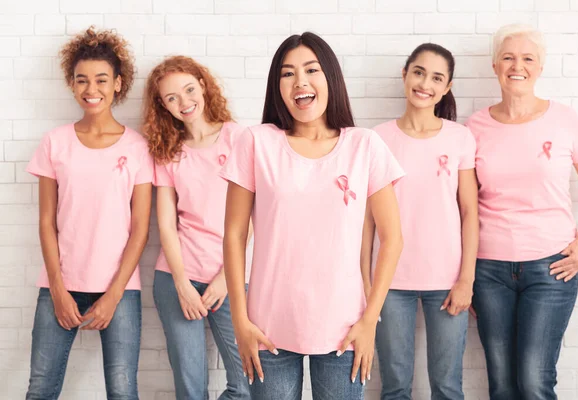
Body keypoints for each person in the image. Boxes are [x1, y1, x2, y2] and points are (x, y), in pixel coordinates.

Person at [220, 32, 405, 400]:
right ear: (278, 87)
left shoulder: (364, 145)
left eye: (311, 70)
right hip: (266, 325)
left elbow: (393, 238)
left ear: (330, 78)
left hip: (345, 326)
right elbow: (234, 235)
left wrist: (370, 320)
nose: (300, 81)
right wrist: (239, 320)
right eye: (287, 74)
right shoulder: (256, 142)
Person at [466, 24, 578, 400]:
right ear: (495, 66)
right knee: (503, 386)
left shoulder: (564, 119)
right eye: (508, 57)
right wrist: (465, 274)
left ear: (540, 67)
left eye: (527, 58)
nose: (517, 65)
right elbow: (464, 205)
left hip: (550, 269)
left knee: (534, 382)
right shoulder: (475, 126)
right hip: (489, 272)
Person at [25, 27, 152, 400]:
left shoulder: (137, 147)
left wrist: (113, 295)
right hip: (59, 286)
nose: (90, 88)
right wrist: (58, 289)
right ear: (71, 83)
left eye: (100, 79)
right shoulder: (55, 142)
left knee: (123, 391)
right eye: (81, 80)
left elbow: (141, 229)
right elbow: (46, 224)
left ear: (118, 83)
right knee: (41, 389)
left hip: (120, 289)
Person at [364, 43, 479, 400]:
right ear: (405, 74)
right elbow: (366, 219)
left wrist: (466, 279)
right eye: (418, 72)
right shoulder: (376, 139)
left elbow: (470, 212)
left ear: (446, 88)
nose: (424, 83)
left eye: (436, 77)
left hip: (447, 281)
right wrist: (364, 281)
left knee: (447, 387)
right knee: (395, 387)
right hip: (389, 282)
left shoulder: (459, 137)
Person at [143, 55, 250, 400]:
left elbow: (257, 217)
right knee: (190, 391)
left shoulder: (239, 138)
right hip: (177, 277)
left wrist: (226, 278)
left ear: (203, 86)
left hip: (231, 276)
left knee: (247, 385)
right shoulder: (168, 151)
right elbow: (166, 224)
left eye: (189, 90)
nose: (184, 102)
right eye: (171, 98)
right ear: (162, 105)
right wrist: (182, 285)